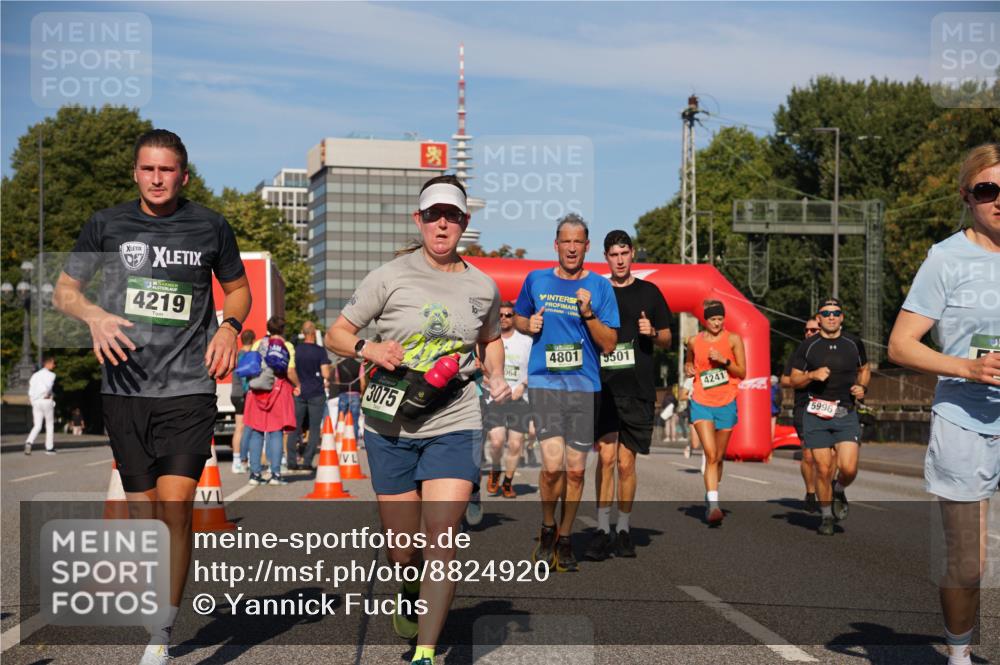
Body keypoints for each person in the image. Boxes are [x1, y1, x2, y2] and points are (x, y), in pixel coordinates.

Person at [53, 129, 250, 665]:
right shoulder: (106, 223)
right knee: (145, 517)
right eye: (148, 169)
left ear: (184, 175)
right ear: (135, 173)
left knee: (176, 508)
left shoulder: (210, 225)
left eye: (167, 170)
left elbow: (237, 288)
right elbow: (64, 291)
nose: (157, 179)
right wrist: (92, 315)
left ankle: (161, 633)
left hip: (189, 385)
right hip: (125, 387)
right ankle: (156, 602)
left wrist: (230, 327)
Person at [325, 174, 509, 665]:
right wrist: (370, 348)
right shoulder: (389, 276)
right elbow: (336, 334)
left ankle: (425, 652)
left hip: (455, 416)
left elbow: (490, 339)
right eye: (434, 215)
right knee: (404, 548)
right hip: (392, 425)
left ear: (465, 223)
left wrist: (495, 374)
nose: (442, 223)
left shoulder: (483, 286)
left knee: (442, 537)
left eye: (451, 215)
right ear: (420, 221)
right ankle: (408, 581)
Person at [887, 143, 1000, 665]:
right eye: (988, 190)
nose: (999, 199)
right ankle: (958, 657)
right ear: (967, 196)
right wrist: (967, 367)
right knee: (969, 563)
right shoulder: (946, 258)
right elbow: (901, 345)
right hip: (965, 420)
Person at [513, 213, 619, 572]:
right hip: (545, 383)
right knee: (552, 466)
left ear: (587, 247)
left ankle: (566, 536)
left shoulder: (601, 288)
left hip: (584, 387)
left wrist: (588, 315)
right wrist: (529, 323)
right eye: (566, 241)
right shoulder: (535, 280)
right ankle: (547, 526)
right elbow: (516, 319)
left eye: (578, 242)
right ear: (555, 244)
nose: (572, 247)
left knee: (575, 471)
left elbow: (609, 344)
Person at [586, 230, 672, 560]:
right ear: (606, 258)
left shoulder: (650, 292)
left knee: (625, 463)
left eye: (624, 253)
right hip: (604, 386)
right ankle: (601, 528)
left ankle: (623, 528)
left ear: (632, 254)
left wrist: (653, 333)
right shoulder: (597, 291)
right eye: (613, 254)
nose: (619, 259)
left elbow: (666, 337)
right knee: (606, 458)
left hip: (637, 388)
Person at [788, 298, 870, 536]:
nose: (831, 317)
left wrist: (862, 387)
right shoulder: (808, 346)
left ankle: (840, 488)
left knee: (849, 467)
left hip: (845, 413)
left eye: (836, 313)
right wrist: (812, 375)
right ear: (820, 317)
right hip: (817, 414)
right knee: (823, 469)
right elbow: (794, 379)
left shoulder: (853, 343)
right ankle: (826, 517)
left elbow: (864, 369)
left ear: (842, 317)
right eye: (826, 313)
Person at [685, 300, 746, 526]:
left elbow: (742, 371)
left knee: (718, 457)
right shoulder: (694, 341)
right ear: (705, 320)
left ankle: (711, 494)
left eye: (720, 319)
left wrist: (725, 361)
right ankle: (713, 505)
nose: (717, 323)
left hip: (726, 401)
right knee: (710, 454)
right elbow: (689, 362)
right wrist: (688, 367)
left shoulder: (733, 339)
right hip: (701, 401)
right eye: (713, 319)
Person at [483, 301, 532, 498]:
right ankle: (495, 470)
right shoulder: (489, 341)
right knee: (496, 442)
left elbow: (536, 369)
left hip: (519, 398)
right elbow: (481, 367)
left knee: (515, 444)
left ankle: (508, 483)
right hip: (495, 397)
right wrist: (490, 382)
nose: (504, 318)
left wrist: (523, 386)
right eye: (500, 315)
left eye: (508, 315)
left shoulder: (526, 342)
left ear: (514, 318)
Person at [244, 316, 299, 485]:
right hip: (278, 390)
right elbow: (289, 372)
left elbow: (250, 365)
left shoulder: (257, 344)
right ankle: (275, 474)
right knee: (275, 432)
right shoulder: (287, 345)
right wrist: (298, 385)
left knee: (256, 431)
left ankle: (255, 474)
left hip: (257, 391)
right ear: (283, 329)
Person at [781, 318, 822, 512]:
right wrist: (807, 378)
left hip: (830, 406)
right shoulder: (799, 353)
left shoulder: (835, 350)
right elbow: (785, 380)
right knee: (808, 455)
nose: (809, 333)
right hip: (804, 406)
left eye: (813, 330)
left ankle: (830, 490)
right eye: (806, 330)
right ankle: (811, 493)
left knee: (830, 457)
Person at [291, 321, 331, 470]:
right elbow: (326, 373)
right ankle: (307, 462)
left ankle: (291, 461)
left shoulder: (296, 350)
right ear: (314, 333)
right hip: (316, 393)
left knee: (295, 427)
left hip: (299, 392)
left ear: (303, 332)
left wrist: (297, 385)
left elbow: (292, 369)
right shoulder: (320, 351)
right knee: (314, 429)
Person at [231, 329, 255, 473]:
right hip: (244, 394)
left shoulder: (237, 355)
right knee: (245, 428)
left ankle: (236, 460)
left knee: (238, 427)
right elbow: (246, 378)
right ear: (253, 340)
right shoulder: (248, 356)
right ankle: (243, 460)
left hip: (234, 393)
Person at [25, 356, 57, 455]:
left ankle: (29, 441)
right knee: (49, 424)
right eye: (53, 363)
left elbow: (30, 390)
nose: (54, 365)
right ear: (47, 364)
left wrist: (32, 400)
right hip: (46, 400)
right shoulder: (52, 375)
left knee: (37, 425)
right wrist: (47, 394)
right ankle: (49, 448)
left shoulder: (35, 375)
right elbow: (48, 387)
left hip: (36, 402)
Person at [331, 355, 363, 444]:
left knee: (340, 417)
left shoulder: (339, 364)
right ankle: (354, 441)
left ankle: (338, 439)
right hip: (355, 394)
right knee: (355, 420)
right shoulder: (359, 365)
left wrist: (342, 387)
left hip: (343, 393)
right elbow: (363, 382)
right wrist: (362, 393)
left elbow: (337, 379)